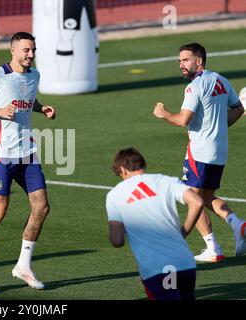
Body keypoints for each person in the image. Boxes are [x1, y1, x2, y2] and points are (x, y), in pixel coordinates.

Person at [0, 31, 56, 293]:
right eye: (26, 50)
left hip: (27, 153)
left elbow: (26, 100)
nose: (31, 54)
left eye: (33, 50)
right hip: (0, 155)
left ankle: (23, 266)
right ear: (13, 51)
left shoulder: (34, 75)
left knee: (41, 207)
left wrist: (41, 108)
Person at [153, 43, 246, 262]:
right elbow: (239, 109)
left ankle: (212, 247)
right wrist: (219, 128)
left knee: (191, 198)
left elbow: (183, 120)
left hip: (200, 151)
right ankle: (238, 224)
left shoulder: (194, 87)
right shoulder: (221, 80)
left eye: (185, 60)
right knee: (206, 197)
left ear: (199, 61)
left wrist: (164, 113)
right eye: (179, 61)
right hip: (219, 151)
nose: (181, 65)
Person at [106, 148, 204, 300]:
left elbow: (117, 241)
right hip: (186, 264)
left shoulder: (114, 195)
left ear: (123, 170)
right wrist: (184, 231)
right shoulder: (167, 181)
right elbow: (197, 202)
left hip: (158, 269)